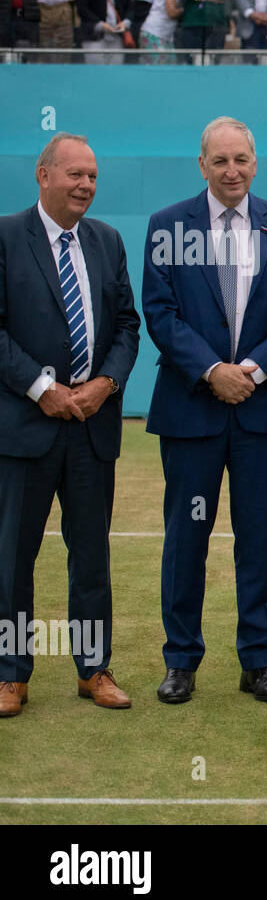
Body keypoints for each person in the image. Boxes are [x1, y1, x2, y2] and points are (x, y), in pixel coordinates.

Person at [143, 116, 267, 705]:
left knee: (259, 540)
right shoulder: (168, 225)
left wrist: (253, 371)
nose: (232, 170)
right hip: (191, 413)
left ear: (255, 161)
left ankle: (259, 661)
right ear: (202, 166)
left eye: (241, 159)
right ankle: (181, 661)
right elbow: (161, 313)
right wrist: (213, 371)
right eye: (220, 161)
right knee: (185, 539)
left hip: (261, 414)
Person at [0, 133, 140, 718]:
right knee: (12, 558)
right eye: (74, 174)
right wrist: (42, 388)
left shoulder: (106, 241)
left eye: (92, 176)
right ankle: (10, 675)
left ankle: (94, 669)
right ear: (43, 176)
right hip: (24, 427)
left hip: (91, 428)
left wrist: (105, 384)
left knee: (91, 555)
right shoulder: (6, 237)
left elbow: (128, 325)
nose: (85, 185)